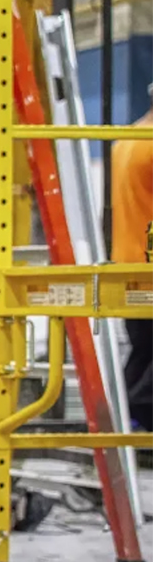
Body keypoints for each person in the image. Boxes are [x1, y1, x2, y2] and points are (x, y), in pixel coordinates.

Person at [111, 93, 153, 428]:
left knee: (144, 351)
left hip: (128, 263)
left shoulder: (128, 138)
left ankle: (126, 423)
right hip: (149, 263)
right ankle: (137, 417)